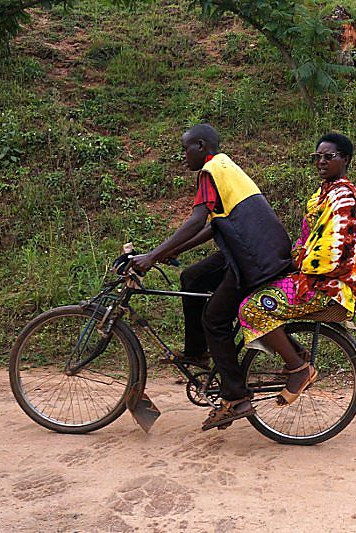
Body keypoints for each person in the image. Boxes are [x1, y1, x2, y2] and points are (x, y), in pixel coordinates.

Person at [128, 124, 292, 430]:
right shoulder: (225, 167)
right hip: (250, 248)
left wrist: (150, 257)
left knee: (214, 319)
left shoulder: (210, 170)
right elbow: (211, 227)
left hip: (252, 256)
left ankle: (235, 397)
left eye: (185, 148)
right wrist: (166, 251)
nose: (182, 156)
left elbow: (196, 220)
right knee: (192, 278)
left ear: (201, 146)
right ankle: (198, 354)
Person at [238, 132, 356, 406]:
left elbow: (335, 250)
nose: (321, 161)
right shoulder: (326, 194)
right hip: (313, 278)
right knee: (257, 292)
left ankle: (298, 369)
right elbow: (308, 239)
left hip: (326, 285)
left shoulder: (342, 198)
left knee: (252, 308)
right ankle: (296, 356)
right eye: (317, 157)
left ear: (345, 159)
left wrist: (299, 264)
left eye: (329, 157)